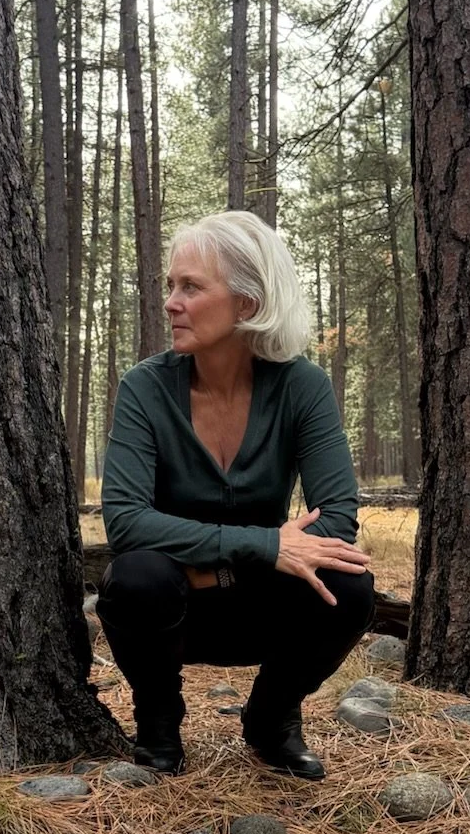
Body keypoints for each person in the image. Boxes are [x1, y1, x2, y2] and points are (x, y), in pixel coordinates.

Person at [98, 210, 375, 779]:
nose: (171, 302)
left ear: (247, 304)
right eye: (171, 286)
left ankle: (271, 720)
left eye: (191, 287)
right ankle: (158, 719)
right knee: (137, 578)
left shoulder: (302, 386)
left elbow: (338, 518)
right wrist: (263, 548)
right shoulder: (145, 388)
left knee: (349, 585)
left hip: (260, 608)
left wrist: (225, 561)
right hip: (169, 608)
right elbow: (126, 523)